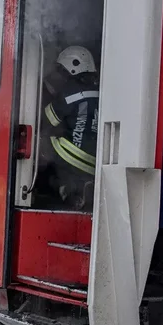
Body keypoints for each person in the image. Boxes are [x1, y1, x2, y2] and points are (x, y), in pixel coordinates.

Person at [37, 45, 100, 211]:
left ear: (72, 69)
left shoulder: (70, 92)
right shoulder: (98, 90)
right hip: (95, 159)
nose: (59, 75)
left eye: (61, 70)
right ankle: (80, 187)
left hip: (74, 155)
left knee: (41, 143)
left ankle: (67, 192)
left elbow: (46, 120)